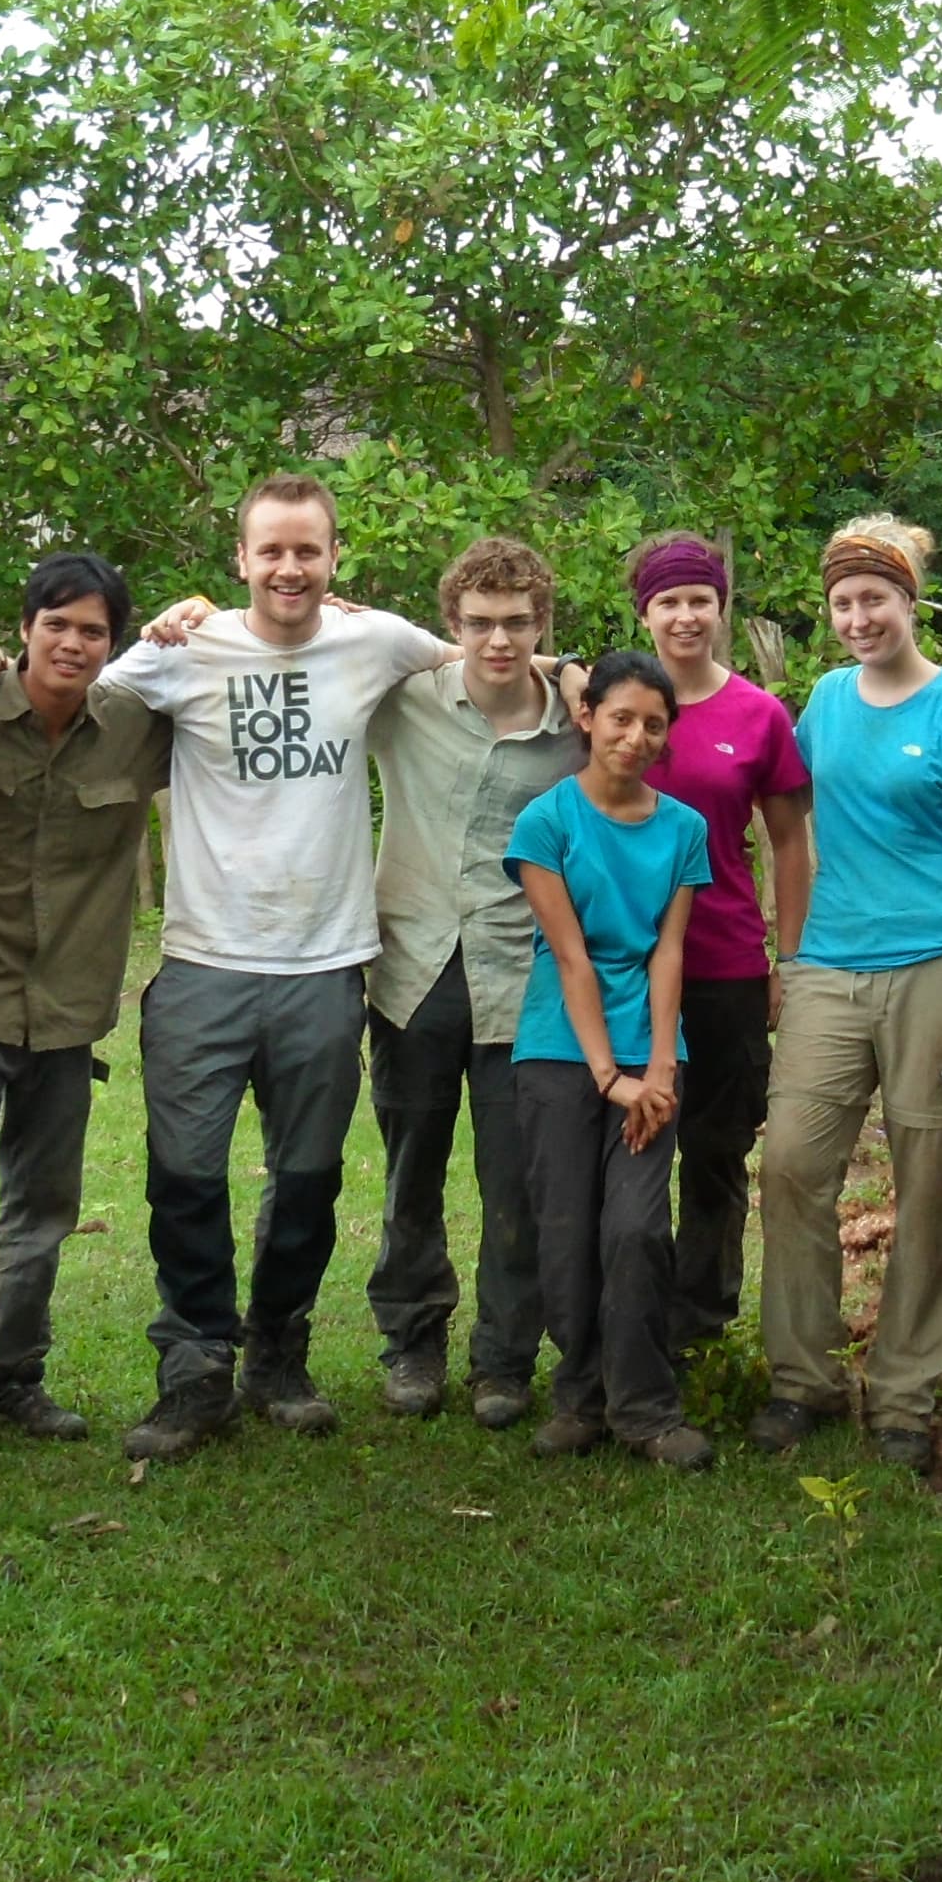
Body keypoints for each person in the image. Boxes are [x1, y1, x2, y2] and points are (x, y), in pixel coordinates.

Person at [94, 475, 457, 1460]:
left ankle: (278, 1357)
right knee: (183, 1175)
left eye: (308, 551)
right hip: (203, 960)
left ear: (335, 557)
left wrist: (585, 676)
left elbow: (483, 665)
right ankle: (194, 1366)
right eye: (272, 551)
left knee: (307, 1179)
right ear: (241, 559)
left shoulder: (376, 641)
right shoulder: (185, 648)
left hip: (324, 964)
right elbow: (68, 693)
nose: (289, 568)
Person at [750, 515, 942, 1475]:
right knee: (791, 1163)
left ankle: (905, 1393)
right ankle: (804, 1378)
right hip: (830, 965)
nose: (859, 617)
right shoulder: (824, 702)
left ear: (910, 601)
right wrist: (787, 954)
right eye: (843, 603)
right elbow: (788, 829)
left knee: (931, 1182)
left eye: (875, 598)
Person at [0, 549, 170, 1458]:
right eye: (56, 624)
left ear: (113, 642)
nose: (73, 643)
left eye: (93, 630)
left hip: (70, 1012)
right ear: (23, 629)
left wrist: (198, 615)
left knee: (43, 1207)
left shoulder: (136, 727)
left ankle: (15, 1374)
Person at [354, 536, 584, 1428]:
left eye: (517, 622)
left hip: (520, 976)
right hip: (412, 969)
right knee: (411, 1173)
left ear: (541, 624)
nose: (499, 640)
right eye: (480, 622)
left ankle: (504, 1360)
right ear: (451, 623)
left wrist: (574, 673)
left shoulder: (575, 726)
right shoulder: (405, 701)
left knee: (515, 1181)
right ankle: (412, 1344)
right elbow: (315, 639)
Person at [507, 649, 715, 1468]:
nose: (635, 737)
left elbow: (669, 953)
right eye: (621, 718)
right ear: (586, 717)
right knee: (565, 1232)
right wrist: (609, 1077)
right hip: (562, 1053)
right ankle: (579, 1398)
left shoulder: (684, 829)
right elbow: (572, 959)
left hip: (650, 1057)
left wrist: (658, 1069)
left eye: (653, 725)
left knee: (636, 1230)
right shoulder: (546, 822)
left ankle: (646, 1409)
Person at [630, 534, 812, 1350]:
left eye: (699, 600)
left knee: (714, 1149)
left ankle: (699, 1322)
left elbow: (790, 845)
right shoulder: (615, 701)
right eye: (668, 601)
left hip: (725, 963)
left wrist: (789, 960)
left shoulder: (758, 714)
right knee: (631, 1144)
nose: (685, 616)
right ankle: (627, 1313)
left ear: (721, 606)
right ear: (645, 612)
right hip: (624, 966)